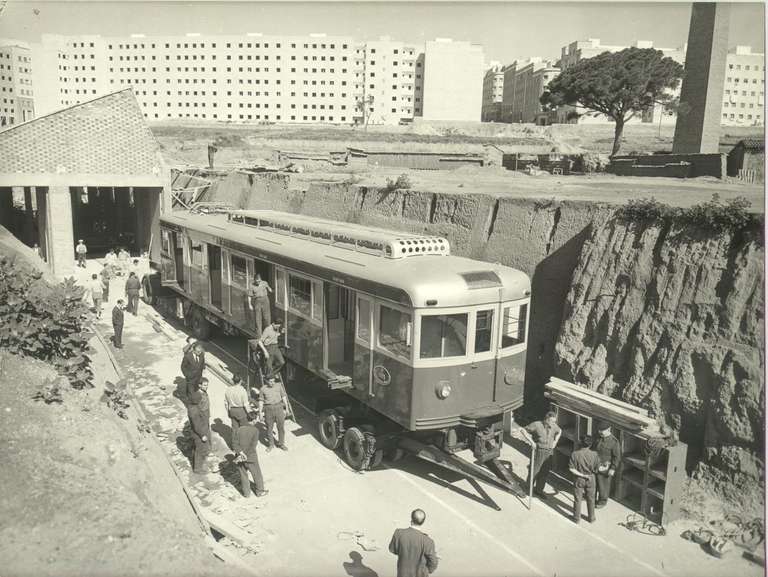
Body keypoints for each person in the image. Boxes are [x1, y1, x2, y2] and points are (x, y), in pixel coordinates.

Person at [520, 410, 562, 497]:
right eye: (552, 421)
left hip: (549, 452)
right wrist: (531, 442)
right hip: (539, 451)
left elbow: (560, 431)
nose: (553, 423)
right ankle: (528, 489)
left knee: (544, 472)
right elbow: (523, 430)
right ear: (546, 419)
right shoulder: (536, 425)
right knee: (534, 471)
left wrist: (555, 441)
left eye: (555, 421)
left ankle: (539, 490)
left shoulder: (554, 426)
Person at [388, 509, 439, 577]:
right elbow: (433, 563)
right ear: (423, 522)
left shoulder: (399, 533)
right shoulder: (428, 541)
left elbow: (393, 550)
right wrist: (427, 570)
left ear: (411, 519)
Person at [568, 435, 602, 524]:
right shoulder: (595, 454)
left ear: (580, 443)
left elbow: (571, 469)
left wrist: (582, 475)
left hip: (579, 479)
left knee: (578, 499)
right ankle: (591, 518)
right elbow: (598, 468)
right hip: (591, 478)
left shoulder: (575, 454)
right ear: (590, 445)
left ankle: (576, 518)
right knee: (591, 498)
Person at [233, 412, 268, 497]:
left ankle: (246, 493)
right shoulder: (255, 430)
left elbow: (234, 444)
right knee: (256, 474)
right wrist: (245, 455)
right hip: (251, 457)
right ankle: (260, 491)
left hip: (239, 458)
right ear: (254, 420)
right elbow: (253, 446)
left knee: (243, 475)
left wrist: (241, 454)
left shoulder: (239, 429)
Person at [593, 421, 621, 508]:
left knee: (603, 485)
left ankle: (602, 501)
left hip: (605, 467)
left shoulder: (614, 442)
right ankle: (592, 498)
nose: (600, 432)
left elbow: (617, 457)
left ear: (609, 429)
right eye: (599, 430)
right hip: (595, 465)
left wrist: (613, 468)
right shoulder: (598, 438)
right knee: (593, 483)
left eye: (602, 430)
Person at [187, 382, 211, 475]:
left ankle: (196, 463)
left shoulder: (192, 407)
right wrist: (202, 435)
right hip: (198, 433)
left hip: (196, 432)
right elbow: (197, 425)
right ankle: (198, 468)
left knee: (196, 448)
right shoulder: (194, 411)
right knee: (200, 450)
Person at [259, 377, 288, 452]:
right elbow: (261, 401)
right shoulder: (263, 389)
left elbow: (284, 397)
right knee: (269, 428)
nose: (272, 383)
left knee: (281, 428)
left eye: (273, 381)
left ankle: (281, 443)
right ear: (266, 381)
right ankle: (271, 445)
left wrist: (286, 408)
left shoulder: (279, 386)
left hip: (279, 408)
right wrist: (260, 413)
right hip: (268, 409)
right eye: (270, 381)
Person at [225, 375, 252, 450]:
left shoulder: (228, 389)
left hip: (232, 410)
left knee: (234, 429)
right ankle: (243, 446)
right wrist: (250, 413)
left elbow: (226, 403)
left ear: (233, 381)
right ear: (241, 381)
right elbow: (246, 404)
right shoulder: (242, 390)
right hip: (241, 411)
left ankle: (234, 447)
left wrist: (228, 411)